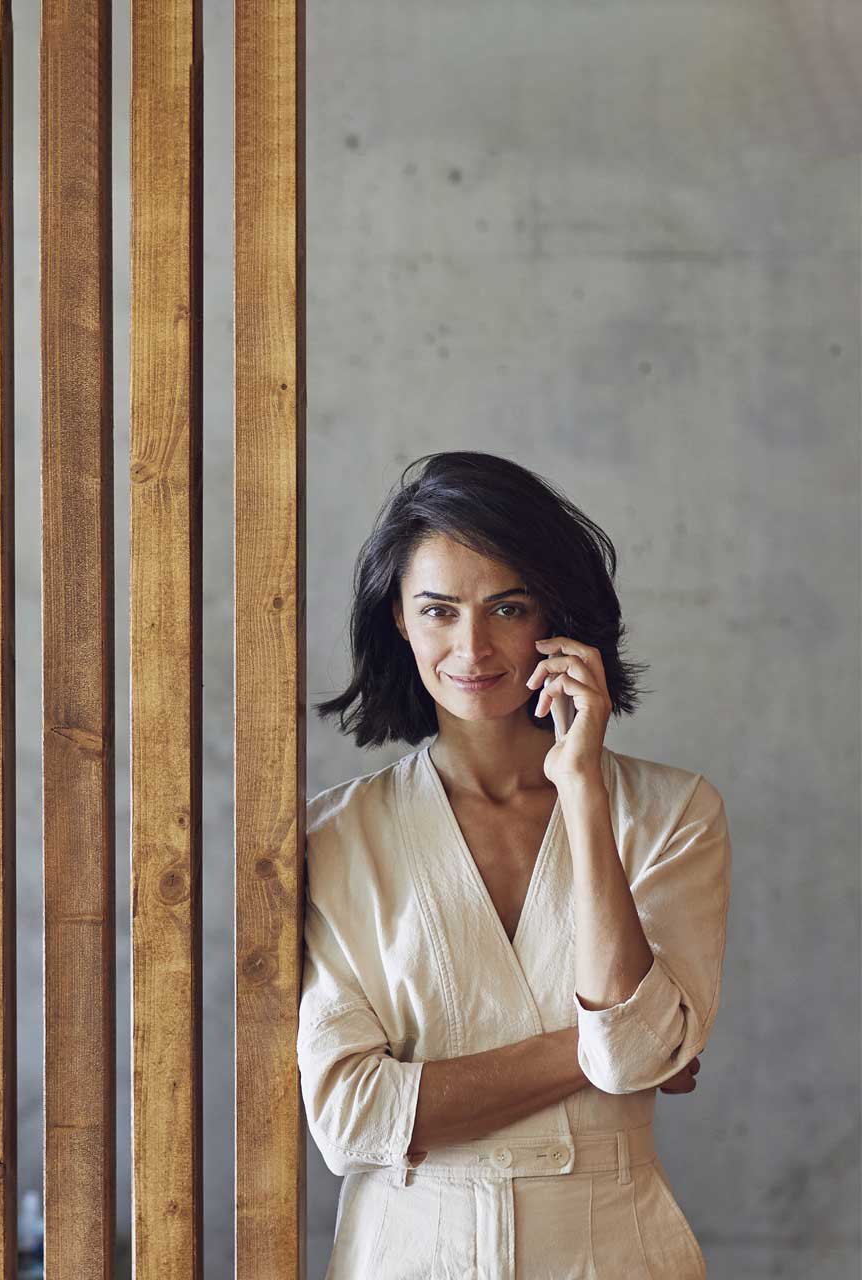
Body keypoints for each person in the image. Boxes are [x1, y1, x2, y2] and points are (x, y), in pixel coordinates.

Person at [300, 451, 730, 1277]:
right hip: (406, 1251)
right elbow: (353, 1119)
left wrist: (583, 788)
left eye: (508, 606)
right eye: (438, 610)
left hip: (611, 1252)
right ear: (397, 617)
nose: (472, 646)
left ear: (555, 616)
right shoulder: (334, 837)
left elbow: (638, 1058)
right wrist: (607, 1049)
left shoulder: (674, 814)